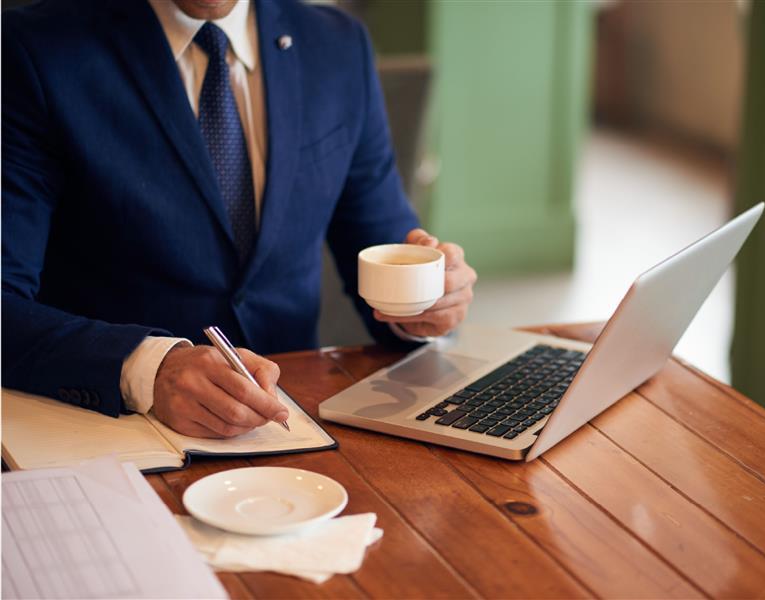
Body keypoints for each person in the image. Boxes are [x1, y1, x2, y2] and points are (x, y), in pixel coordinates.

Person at [2, 0, 477, 439]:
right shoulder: (31, 49)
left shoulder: (337, 46)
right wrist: (147, 368)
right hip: (118, 433)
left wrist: (427, 304)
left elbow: (384, 245)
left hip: (298, 426)